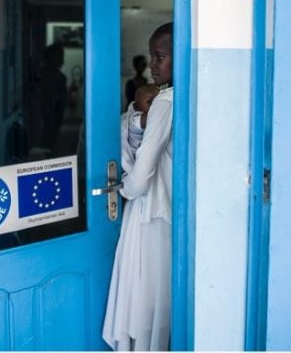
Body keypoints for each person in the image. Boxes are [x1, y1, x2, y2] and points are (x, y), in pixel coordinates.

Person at [103, 22, 173, 351]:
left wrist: (123, 188)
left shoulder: (164, 102)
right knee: (160, 294)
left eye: (160, 56)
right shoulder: (184, 97)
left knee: (143, 293)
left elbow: (141, 176)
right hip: (169, 209)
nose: (152, 65)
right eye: (151, 57)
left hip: (148, 210)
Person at [121, 83, 160, 171]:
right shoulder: (135, 120)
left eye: (158, 101)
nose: (155, 105)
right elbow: (153, 117)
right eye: (150, 102)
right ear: (136, 107)